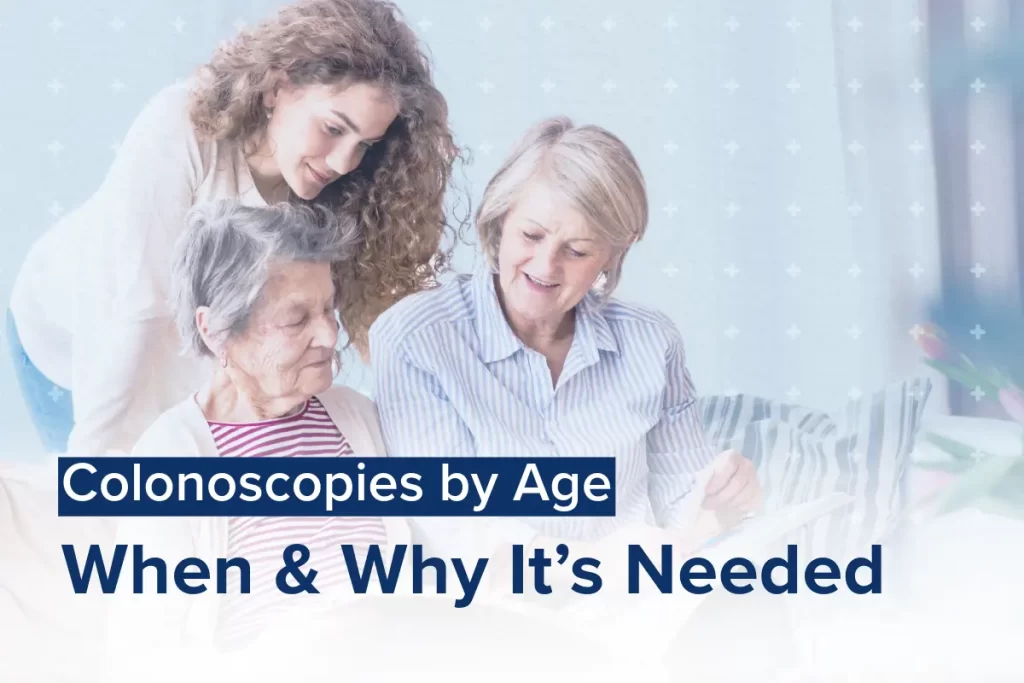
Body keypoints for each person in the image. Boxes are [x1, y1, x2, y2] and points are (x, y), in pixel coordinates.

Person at [8, 0, 464, 456]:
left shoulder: (336, 192)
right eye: (332, 128)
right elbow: (129, 313)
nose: (344, 162)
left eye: (364, 144)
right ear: (277, 88)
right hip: (72, 338)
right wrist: (96, 462)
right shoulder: (180, 131)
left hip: (182, 358)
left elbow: (365, 332)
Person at [369, 117, 761, 565]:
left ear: (614, 253)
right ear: (500, 221)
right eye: (531, 235)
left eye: (577, 251)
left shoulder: (652, 342)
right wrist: (592, 568)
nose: (546, 265)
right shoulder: (414, 338)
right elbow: (453, 530)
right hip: (497, 615)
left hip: (637, 605)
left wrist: (723, 499)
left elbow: (686, 506)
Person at [106, 200, 408, 651]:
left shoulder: (355, 417)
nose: (329, 335)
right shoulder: (168, 458)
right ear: (216, 330)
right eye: (296, 318)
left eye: (329, 309)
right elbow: (144, 644)